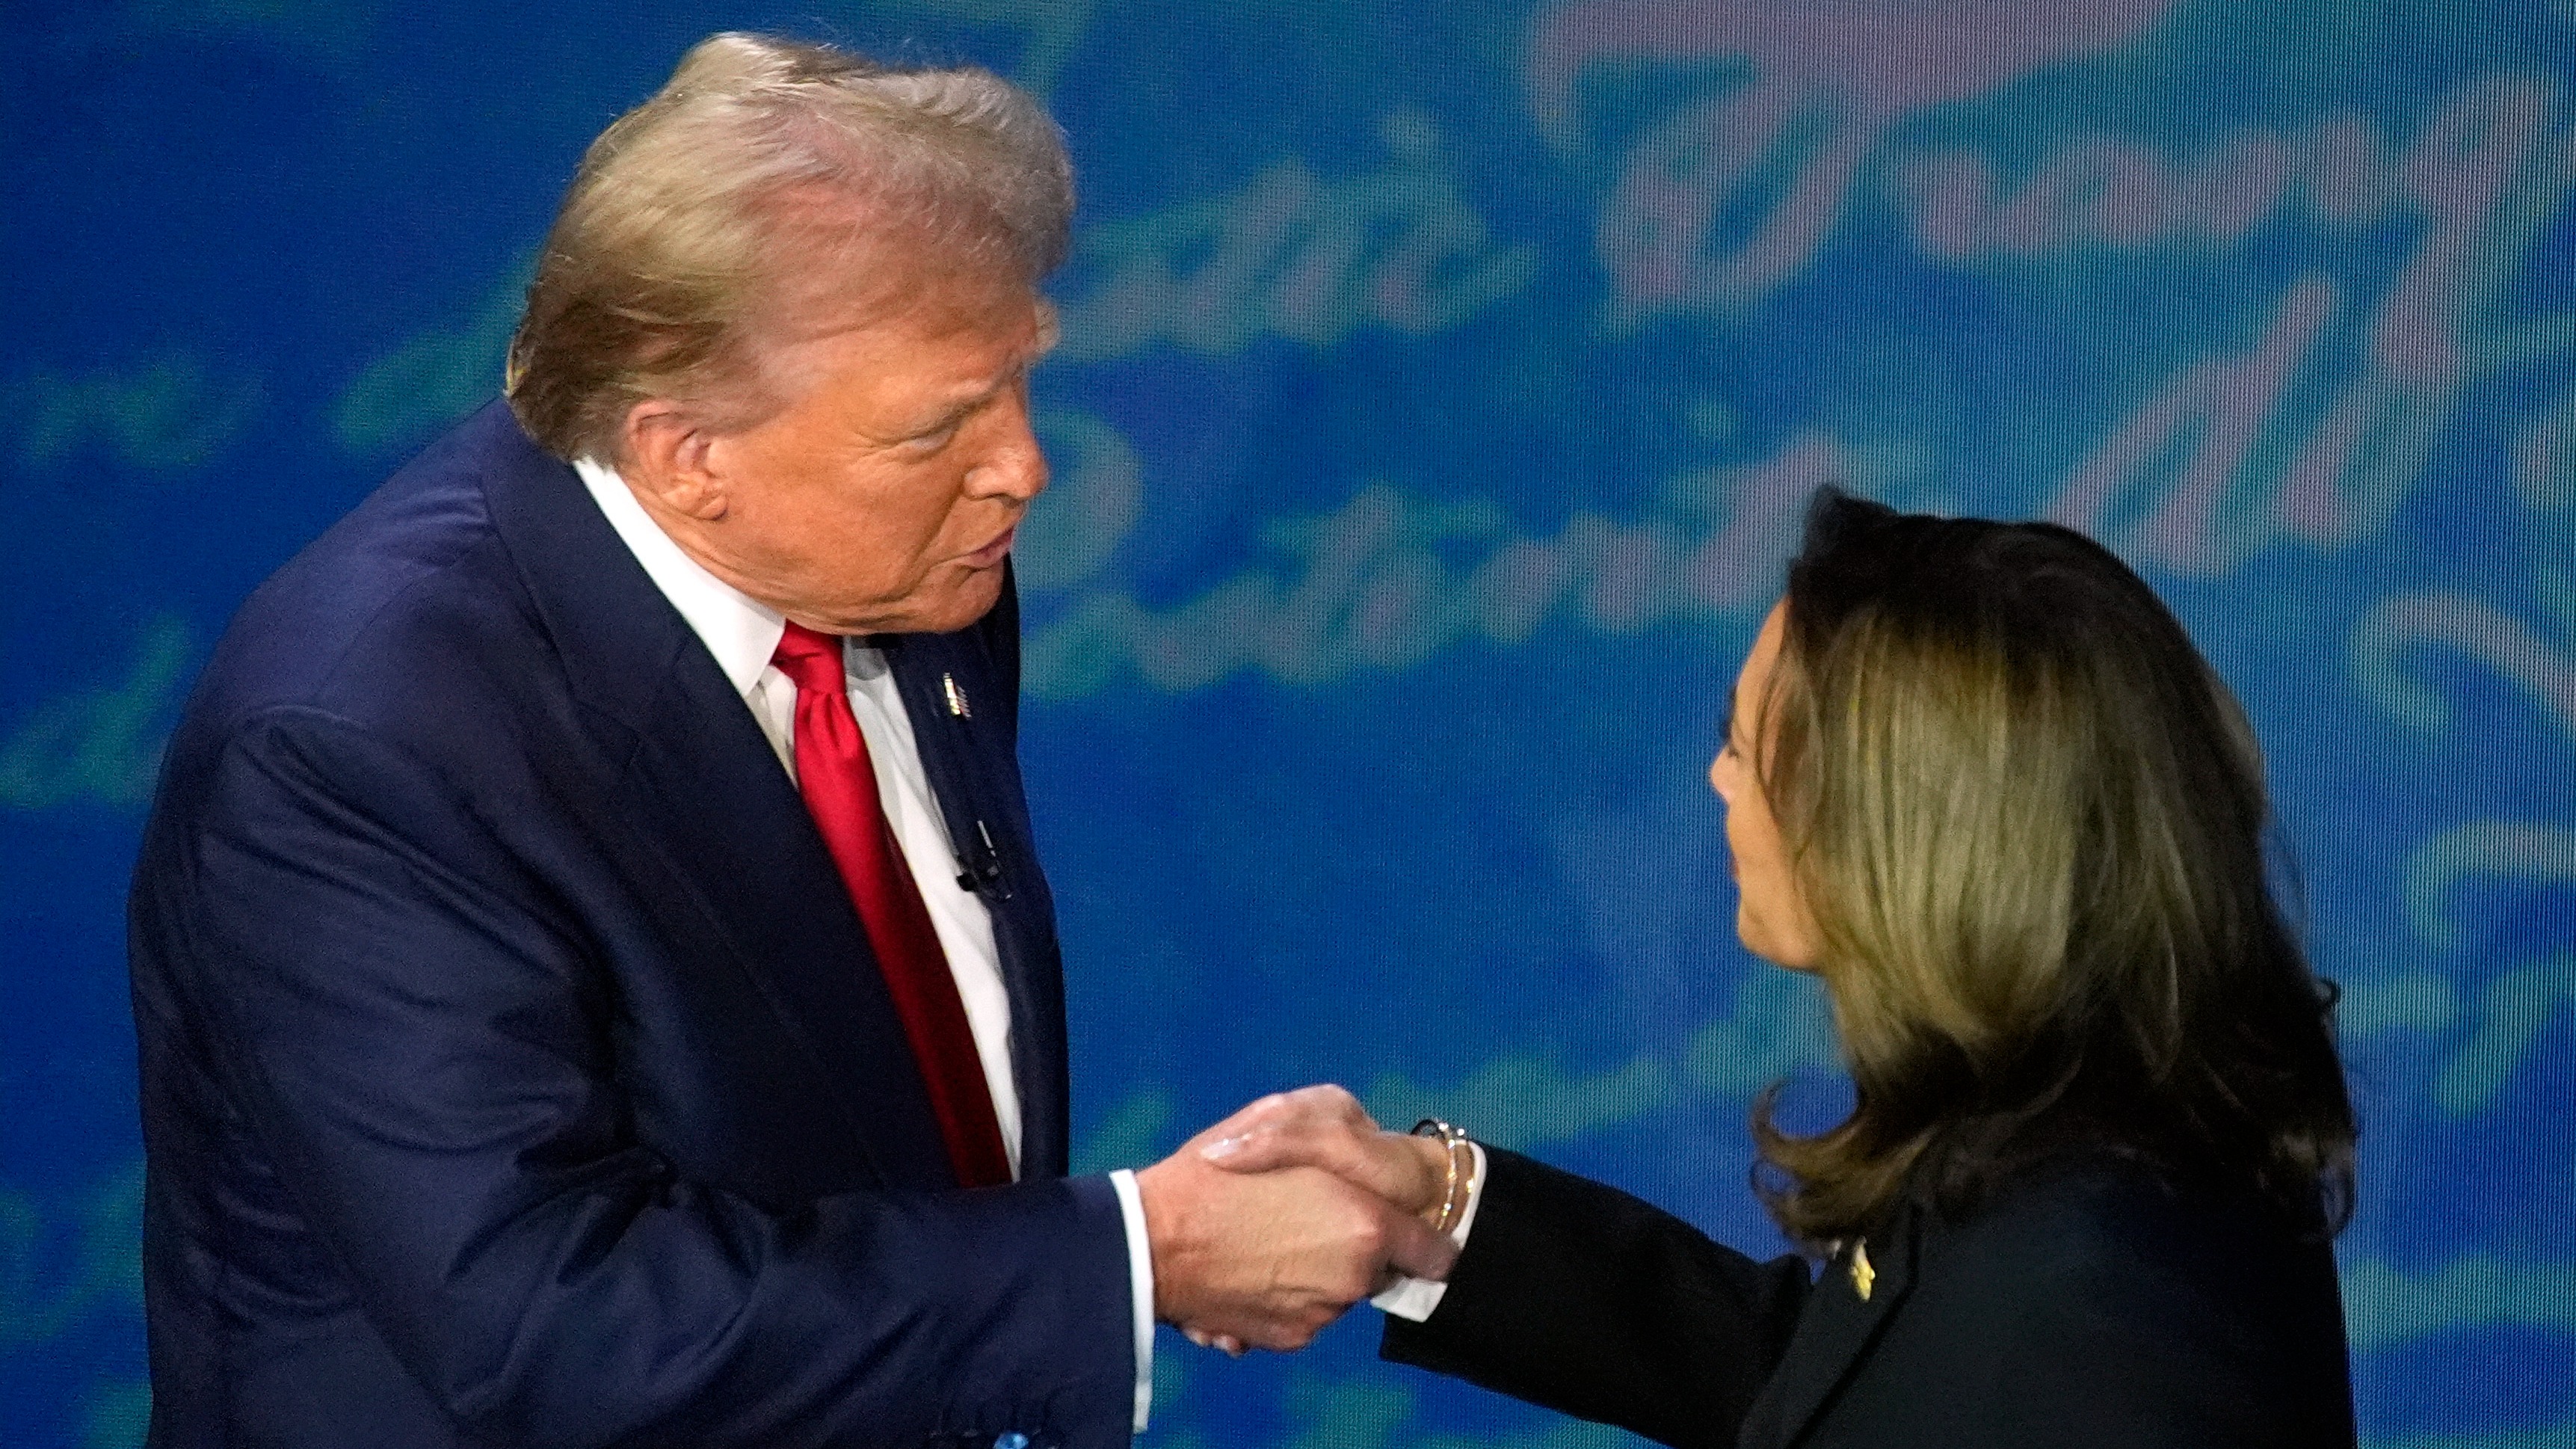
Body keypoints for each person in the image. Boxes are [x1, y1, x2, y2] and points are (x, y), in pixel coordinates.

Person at [126, 34, 1449, 1449]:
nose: (1022, 465)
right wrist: (1135, 1257)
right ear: (687, 453)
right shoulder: (358, 743)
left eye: (1018, 379)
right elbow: (555, 1325)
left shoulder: (904, 561)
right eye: (938, 427)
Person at [1201, 490, 2361, 1448]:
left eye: (1743, 744)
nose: (1719, 780)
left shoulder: (2101, 1304)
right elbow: (1839, 1390)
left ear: (1900, 829)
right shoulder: (2051, 1143)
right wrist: (1436, 1208)